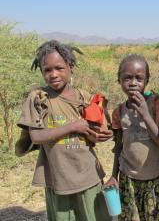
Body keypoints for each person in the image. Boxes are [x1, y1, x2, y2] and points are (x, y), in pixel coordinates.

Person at [17, 40, 113, 221]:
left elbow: (95, 132)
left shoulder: (83, 97)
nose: (53, 74)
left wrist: (101, 136)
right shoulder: (39, 98)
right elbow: (36, 136)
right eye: (47, 70)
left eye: (59, 68)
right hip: (58, 178)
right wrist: (74, 126)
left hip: (88, 175)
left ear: (71, 67)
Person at [104, 54, 159, 220]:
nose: (133, 83)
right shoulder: (119, 111)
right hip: (129, 180)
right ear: (119, 80)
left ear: (147, 80)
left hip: (155, 178)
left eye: (139, 78)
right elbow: (119, 146)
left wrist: (145, 114)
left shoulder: (157, 104)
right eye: (127, 78)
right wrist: (114, 175)